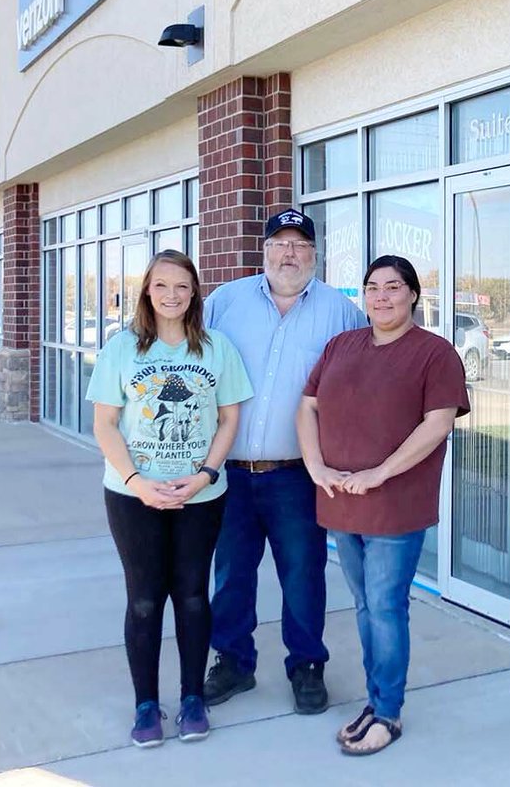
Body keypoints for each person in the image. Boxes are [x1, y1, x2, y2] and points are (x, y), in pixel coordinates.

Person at [297, 255, 470, 756]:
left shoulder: (435, 354)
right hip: (341, 502)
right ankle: (375, 703)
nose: (381, 296)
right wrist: (316, 467)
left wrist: (379, 473)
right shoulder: (341, 345)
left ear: (414, 294)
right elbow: (307, 406)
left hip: (394, 505)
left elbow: (438, 423)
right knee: (366, 604)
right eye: (372, 287)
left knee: (387, 607)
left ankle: (387, 712)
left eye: (393, 287)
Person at [202, 209, 366, 715]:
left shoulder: (340, 312)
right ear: (265, 250)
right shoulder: (225, 302)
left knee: (303, 574)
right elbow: (189, 359)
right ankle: (233, 662)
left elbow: (369, 376)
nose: (289, 253)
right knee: (230, 574)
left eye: (299, 245)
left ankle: (307, 666)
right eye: (280, 243)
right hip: (229, 473)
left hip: (296, 475)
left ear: (314, 254)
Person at [86, 249, 252, 747]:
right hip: (133, 496)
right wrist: (138, 482)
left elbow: (229, 419)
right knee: (143, 600)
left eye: (182, 286)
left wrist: (204, 474)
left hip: (200, 495)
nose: (172, 295)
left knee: (193, 595)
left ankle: (192, 698)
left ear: (195, 291)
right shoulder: (123, 349)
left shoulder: (216, 348)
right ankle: (145, 705)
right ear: (147, 292)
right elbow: (105, 425)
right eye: (162, 286)